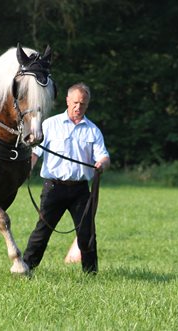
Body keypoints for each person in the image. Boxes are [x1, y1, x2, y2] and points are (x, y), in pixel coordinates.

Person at [23, 82, 110, 274]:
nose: (79, 107)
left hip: (80, 190)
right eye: (76, 103)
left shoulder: (93, 130)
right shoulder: (49, 125)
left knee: (86, 232)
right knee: (42, 231)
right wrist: (27, 169)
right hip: (54, 187)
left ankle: (91, 273)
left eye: (83, 104)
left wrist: (102, 164)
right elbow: (35, 153)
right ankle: (26, 267)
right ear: (67, 101)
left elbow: (103, 156)